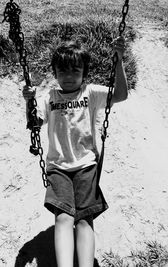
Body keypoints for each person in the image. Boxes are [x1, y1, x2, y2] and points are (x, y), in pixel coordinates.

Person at [23, 36, 128, 267]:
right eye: (62, 71)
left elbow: (120, 95)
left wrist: (119, 61)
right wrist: (28, 101)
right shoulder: (49, 98)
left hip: (85, 165)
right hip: (58, 168)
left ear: (84, 73)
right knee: (62, 218)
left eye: (75, 71)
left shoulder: (90, 93)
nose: (69, 77)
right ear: (55, 73)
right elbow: (34, 123)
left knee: (83, 220)